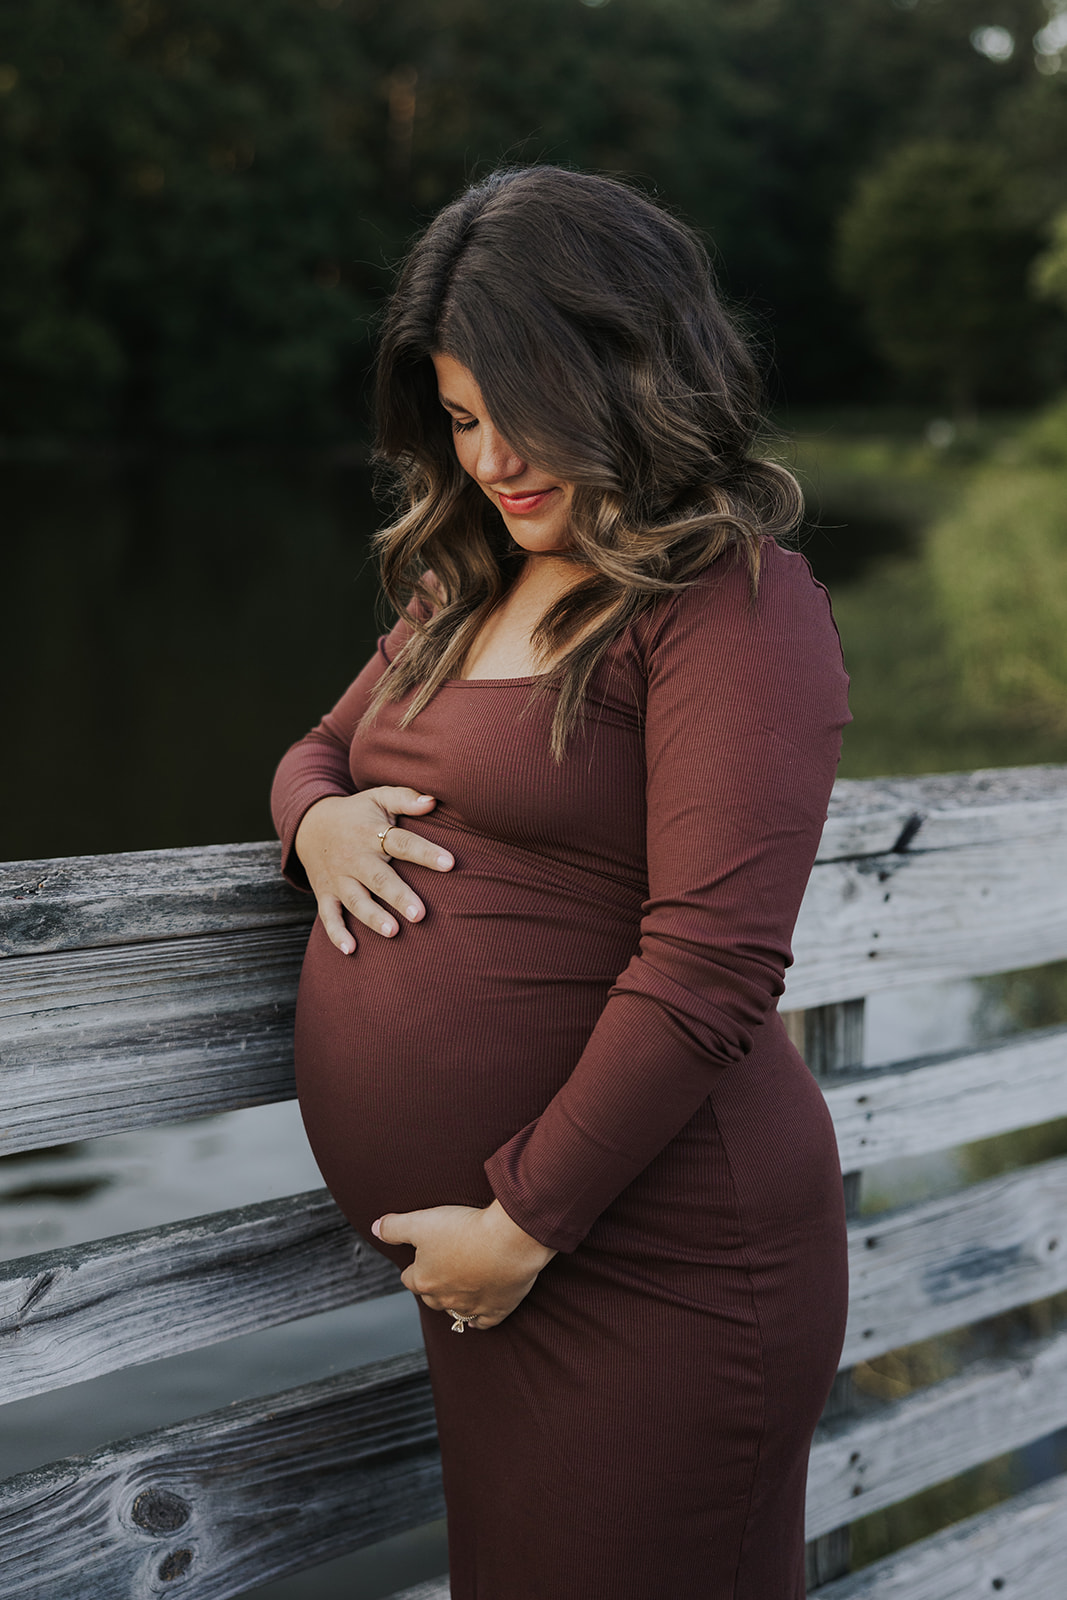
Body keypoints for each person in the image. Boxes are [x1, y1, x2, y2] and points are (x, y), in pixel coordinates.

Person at [271, 165, 850, 1600]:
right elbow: (315, 751)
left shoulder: (734, 606)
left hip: (655, 1260)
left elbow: (711, 965)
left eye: (520, 411)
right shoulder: (463, 579)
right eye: (461, 419)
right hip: (499, 1274)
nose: (492, 459)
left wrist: (523, 1221)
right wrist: (317, 829)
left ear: (631, 371)